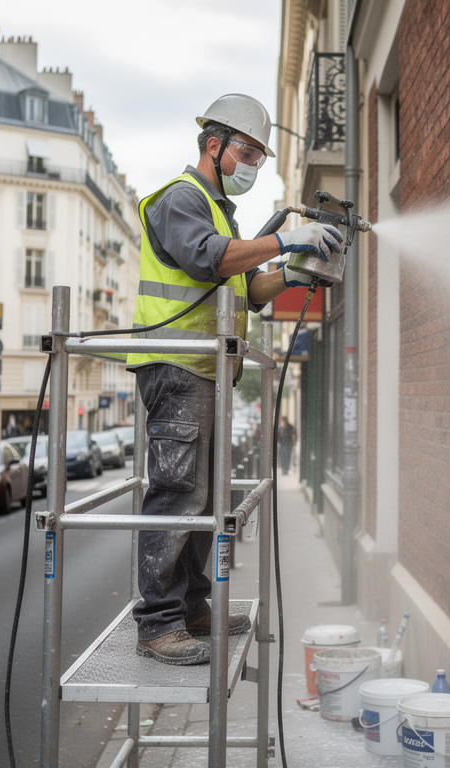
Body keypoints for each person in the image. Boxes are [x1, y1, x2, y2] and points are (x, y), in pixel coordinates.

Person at [126, 94, 342, 665]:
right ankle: (157, 624)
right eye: (246, 151)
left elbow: (243, 288)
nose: (251, 164)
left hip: (208, 370)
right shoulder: (181, 200)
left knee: (204, 498)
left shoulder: (223, 214)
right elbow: (208, 259)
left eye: (259, 157)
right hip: (176, 367)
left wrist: (292, 272)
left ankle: (193, 606)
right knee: (177, 493)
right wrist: (285, 239)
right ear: (213, 145)